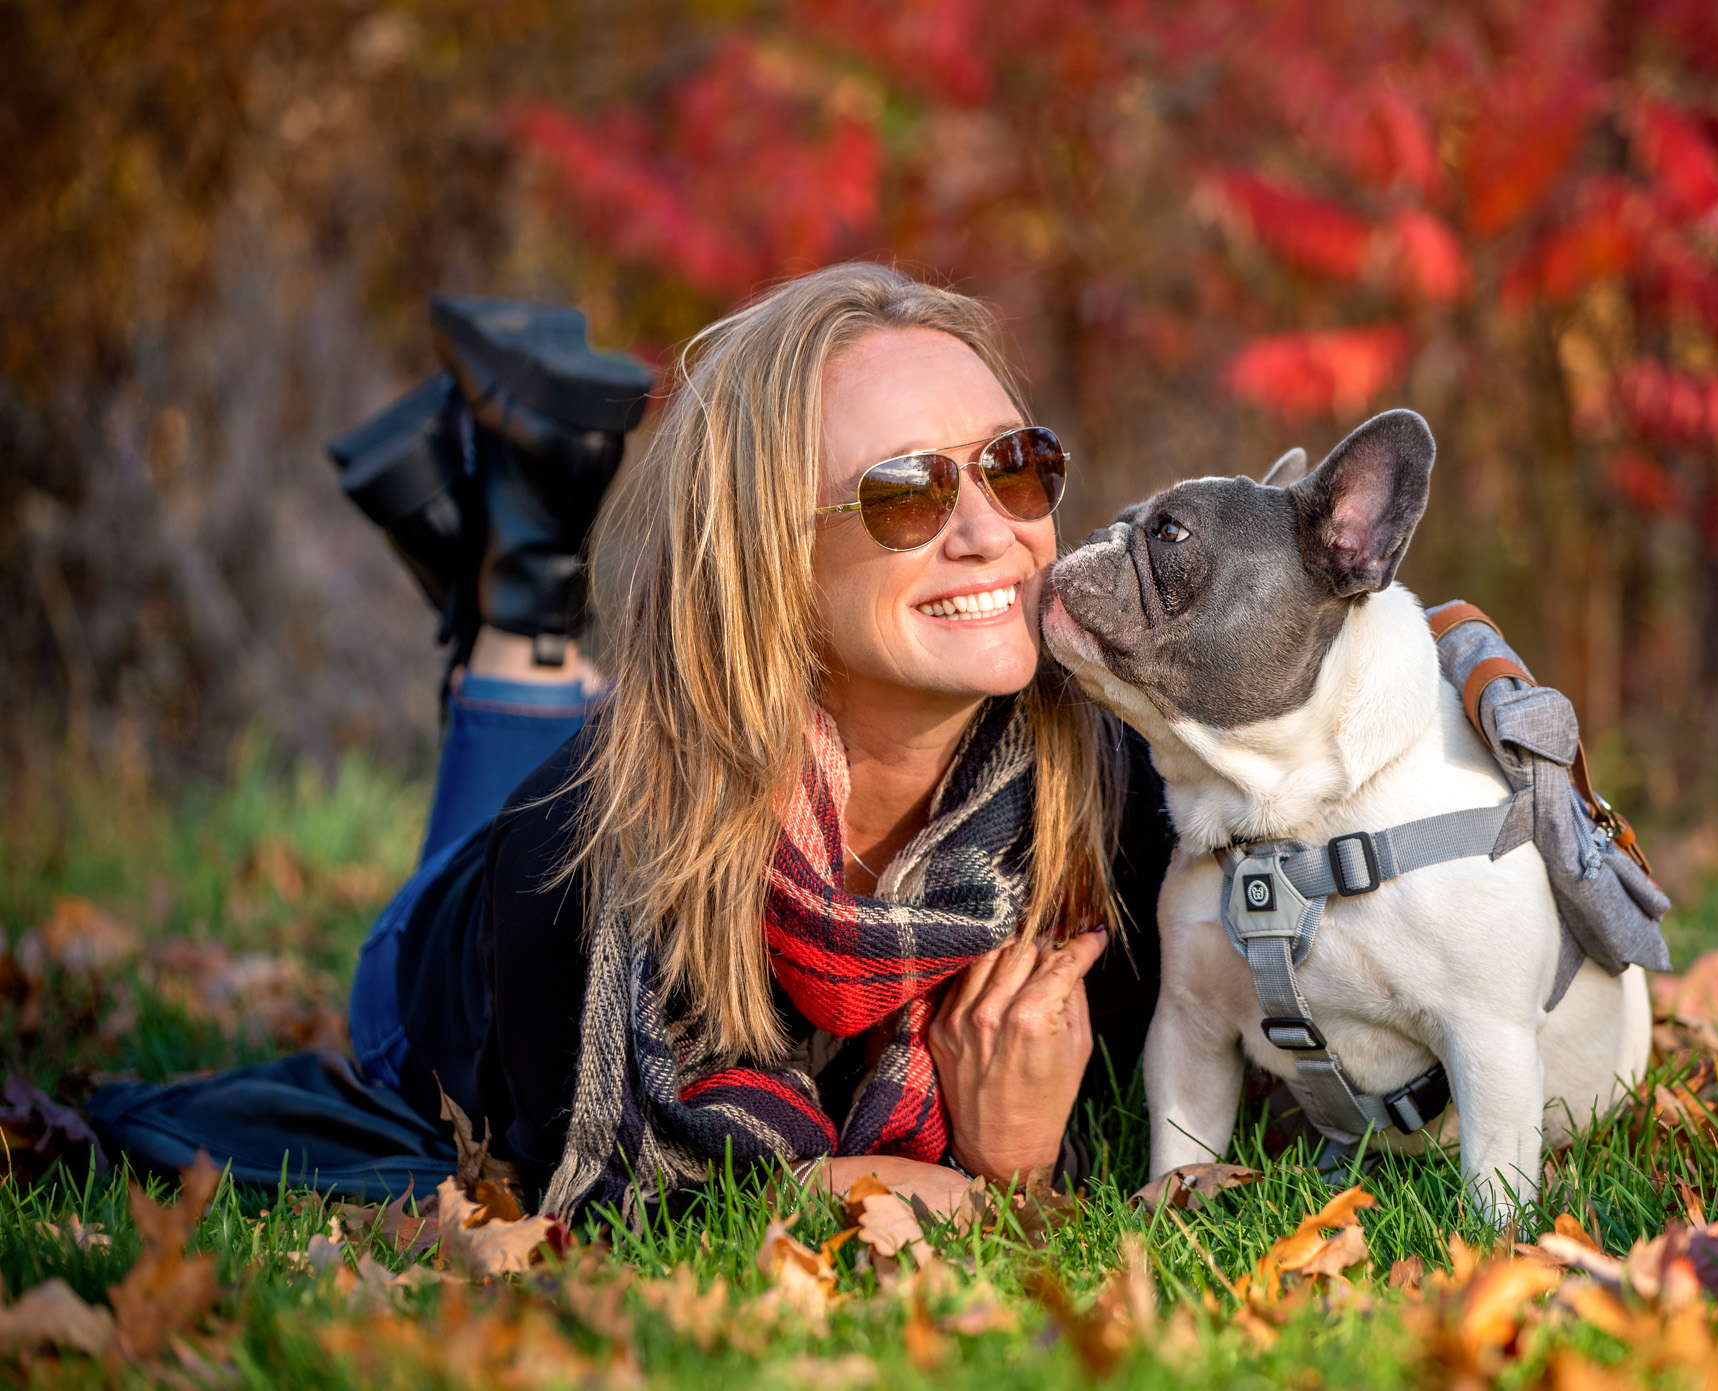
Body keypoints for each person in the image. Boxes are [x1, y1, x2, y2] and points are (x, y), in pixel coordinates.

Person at [89, 264, 1171, 1216]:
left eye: (1014, 464)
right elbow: (609, 1189)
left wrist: (1019, 1166)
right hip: (459, 975)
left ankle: (525, 543)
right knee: (534, 819)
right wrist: (892, 1183)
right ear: (769, 558)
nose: (993, 534)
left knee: (613, 752)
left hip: (636, 779)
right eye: (905, 492)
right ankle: (521, 608)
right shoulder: (579, 862)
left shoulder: (1111, 799)